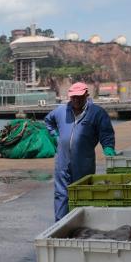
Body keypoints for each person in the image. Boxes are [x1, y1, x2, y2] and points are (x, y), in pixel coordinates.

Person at [45, 82, 115, 221]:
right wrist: (55, 135)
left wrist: (108, 147)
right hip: (62, 162)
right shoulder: (61, 111)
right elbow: (48, 120)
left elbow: (106, 133)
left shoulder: (97, 113)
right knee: (61, 194)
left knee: (83, 193)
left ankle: (81, 223)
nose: (76, 100)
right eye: (73, 97)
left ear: (86, 95)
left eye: (79, 96)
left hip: (84, 163)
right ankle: (60, 224)